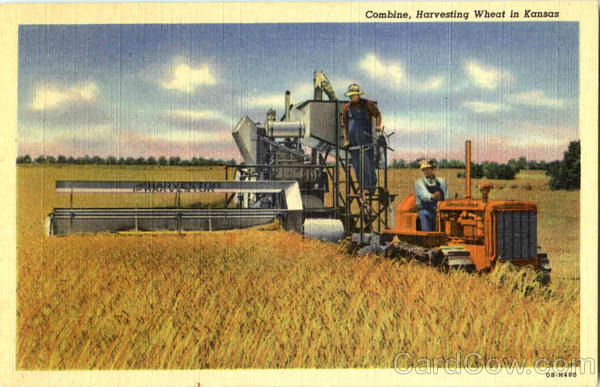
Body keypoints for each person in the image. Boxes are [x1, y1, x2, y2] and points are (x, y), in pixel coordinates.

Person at [341, 83, 382, 195]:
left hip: (365, 139)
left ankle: (370, 187)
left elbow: (377, 114)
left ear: (358, 95)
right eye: (350, 96)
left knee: (367, 164)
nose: (352, 97)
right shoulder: (347, 108)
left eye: (354, 95)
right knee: (357, 165)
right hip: (353, 141)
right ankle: (363, 187)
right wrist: (346, 140)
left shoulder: (366, 104)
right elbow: (344, 124)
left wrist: (378, 125)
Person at [415, 159, 449, 231]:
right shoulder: (419, 183)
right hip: (426, 210)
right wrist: (433, 196)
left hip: (439, 211)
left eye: (428, 168)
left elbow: (446, 196)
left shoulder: (441, 181)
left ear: (433, 169)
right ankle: (427, 238)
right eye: (424, 169)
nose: (426, 171)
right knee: (425, 215)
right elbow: (424, 195)